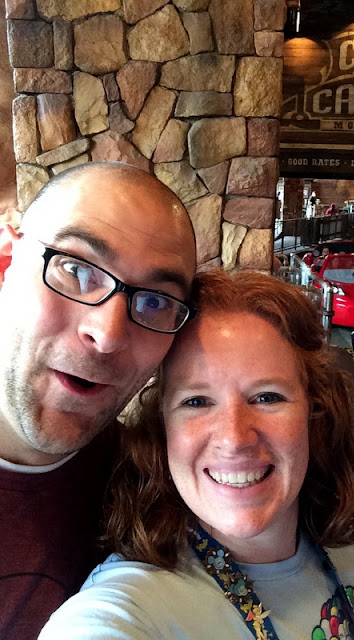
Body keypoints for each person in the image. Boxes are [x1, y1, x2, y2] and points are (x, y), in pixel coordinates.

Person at [39, 270, 354, 640]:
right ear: (162, 429)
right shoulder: (129, 609)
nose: (234, 438)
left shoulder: (346, 549)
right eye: (196, 401)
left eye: (267, 397)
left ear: (315, 412)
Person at [0, 161, 197, 640]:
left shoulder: (156, 490)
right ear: (7, 262)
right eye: (75, 269)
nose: (108, 335)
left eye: (154, 301)